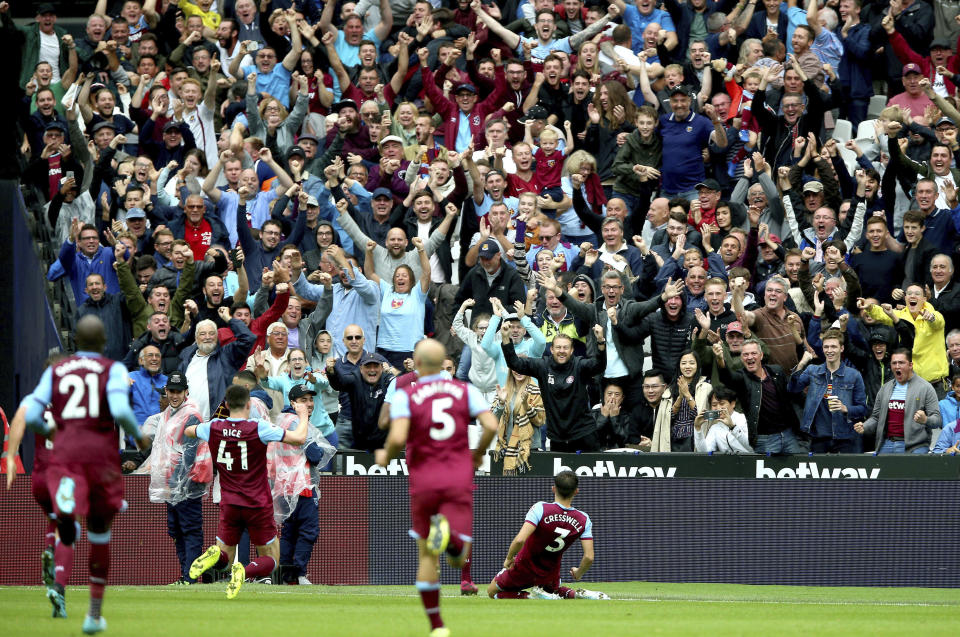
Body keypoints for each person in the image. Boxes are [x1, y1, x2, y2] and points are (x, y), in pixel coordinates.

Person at [23, 316, 147, 633]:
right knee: (100, 535)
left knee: (69, 518)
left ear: (75, 342)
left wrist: (50, 428)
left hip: (64, 458)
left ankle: (66, 517)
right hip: (101, 462)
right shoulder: (114, 369)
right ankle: (93, 615)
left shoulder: (56, 370)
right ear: (104, 341)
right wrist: (138, 436)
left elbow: (32, 412)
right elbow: (120, 411)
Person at [375, 338, 498, 637]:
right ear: (445, 364)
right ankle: (453, 539)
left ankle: (437, 626)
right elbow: (491, 426)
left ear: (416, 365)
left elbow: (396, 437)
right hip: (458, 475)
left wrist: (385, 456)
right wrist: (479, 452)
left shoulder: (408, 393)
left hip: (424, 479)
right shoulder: (464, 390)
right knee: (457, 556)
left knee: (427, 556)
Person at [185, 384, 311, 598]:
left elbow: (189, 431)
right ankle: (244, 570)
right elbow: (298, 438)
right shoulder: (258, 427)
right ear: (249, 404)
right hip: (257, 504)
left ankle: (216, 557)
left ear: (226, 405)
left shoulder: (214, 426)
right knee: (272, 561)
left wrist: (207, 428)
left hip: (230, 504)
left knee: (224, 560)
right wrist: (303, 415)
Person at [488, 470, 607, 600]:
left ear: (553, 489)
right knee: (554, 591)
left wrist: (509, 558)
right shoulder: (584, 519)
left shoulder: (541, 508)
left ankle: (531, 596)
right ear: (576, 491)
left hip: (524, 568)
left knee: (492, 592)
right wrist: (579, 573)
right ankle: (577, 594)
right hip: (550, 573)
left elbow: (519, 540)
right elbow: (589, 557)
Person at [4, 355, 65, 593]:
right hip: (63, 475)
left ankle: (50, 549)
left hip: (39, 477)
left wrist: (11, 456)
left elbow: (19, 419)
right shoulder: (74, 402)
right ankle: (58, 577)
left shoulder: (35, 400)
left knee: (54, 518)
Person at [146, 371, 211, 585]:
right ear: (166, 391)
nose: (174, 395)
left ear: (186, 392)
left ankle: (190, 577)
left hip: (188, 482)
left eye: (178, 392)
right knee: (176, 529)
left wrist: (179, 480)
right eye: (171, 391)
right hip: (173, 482)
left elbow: (190, 453)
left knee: (190, 529)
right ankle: (186, 575)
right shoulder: (169, 413)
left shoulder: (191, 414)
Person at [268, 384, 336, 585]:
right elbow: (315, 455)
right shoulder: (297, 422)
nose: (309, 404)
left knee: (289, 532)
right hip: (301, 486)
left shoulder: (281, 420)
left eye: (310, 399)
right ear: (293, 403)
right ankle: (298, 573)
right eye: (303, 400)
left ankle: (286, 574)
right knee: (308, 530)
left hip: (284, 486)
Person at [503, 328, 606, 452]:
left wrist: (600, 341)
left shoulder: (580, 365)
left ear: (572, 350)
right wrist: (505, 338)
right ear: (551, 349)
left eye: (565, 348)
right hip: (557, 436)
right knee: (559, 472)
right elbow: (515, 363)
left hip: (584, 433)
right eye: (558, 347)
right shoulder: (542, 366)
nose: (561, 351)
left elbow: (599, 365)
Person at [788, 330, 868, 453]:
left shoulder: (854, 375)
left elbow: (863, 409)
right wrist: (802, 363)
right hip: (819, 437)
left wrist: (845, 408)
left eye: (833, 346)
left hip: (845, 437)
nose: (829, 350)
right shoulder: (813, 371)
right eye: (826, 347)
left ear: (841, 348)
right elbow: (792, 389)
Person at [855, 348, 940, 454]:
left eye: (901, 363)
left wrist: (925, 420)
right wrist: (865, 426)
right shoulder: (885, 388)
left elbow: (937, 420)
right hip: (886, 444)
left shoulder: (925, 388)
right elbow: (876, 417)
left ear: (910, 365)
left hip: (915, 447)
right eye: (894, 363)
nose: (897, 366)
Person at [491, 367, 546, 473]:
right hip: (506, 448)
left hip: (529, 449)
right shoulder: (503, 391)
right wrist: (501, 404)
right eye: (515, 368)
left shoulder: (536, 391)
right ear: (510, 370)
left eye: (522, 367)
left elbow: (540, 421)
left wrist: (526, 406)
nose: (519, 371)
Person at [693, 386, 753, 453]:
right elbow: (704, 453)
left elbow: (752, 448)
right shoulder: (715, 428)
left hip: (751, 461)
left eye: (722, 403)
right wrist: (698, 429)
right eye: (714, 405)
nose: (718, 408)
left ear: (733, 404)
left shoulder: (745, 420)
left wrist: (733, 427)